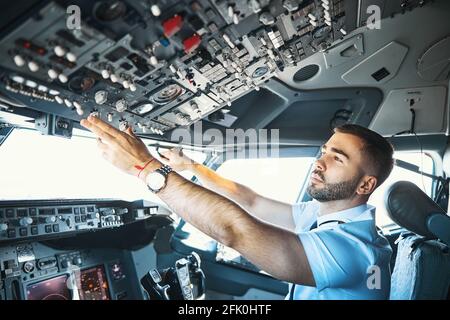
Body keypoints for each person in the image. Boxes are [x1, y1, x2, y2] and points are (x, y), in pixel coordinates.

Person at [80, 116, 394, 300]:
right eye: (324, 151)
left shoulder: (356, 249)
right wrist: (192, 167)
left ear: (365, 185)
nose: (319, 161)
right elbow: (251, 201)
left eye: (337, 158)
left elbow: (235, 231)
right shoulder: (322, 214)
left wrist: (145, 168)